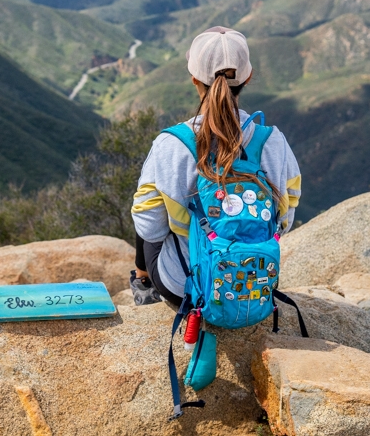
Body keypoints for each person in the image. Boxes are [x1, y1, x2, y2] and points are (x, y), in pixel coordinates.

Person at [129, 27, 302, 308]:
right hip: (253, 283)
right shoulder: (274, 142)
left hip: (185, 287)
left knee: (148, 206)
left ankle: (143, 283)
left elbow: (150, 229)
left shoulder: (172, 145)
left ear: (194, 79)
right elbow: (285, 218)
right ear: (248, 77)